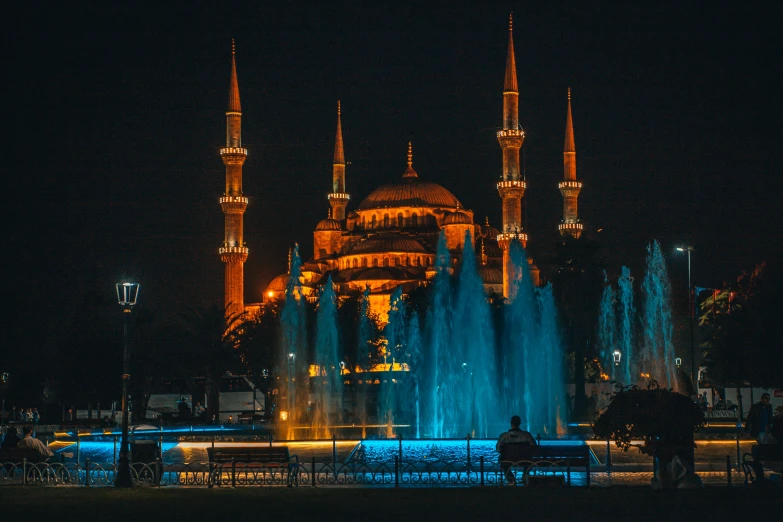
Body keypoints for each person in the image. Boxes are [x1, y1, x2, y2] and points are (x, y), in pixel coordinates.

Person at [496, 415, 536, 484]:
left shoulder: (503, 436)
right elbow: (533, 447)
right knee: (530, 460)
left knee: (502, 461)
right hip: (525, 460)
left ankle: (511, 479)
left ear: (511, 423)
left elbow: (498, 449)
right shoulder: (527, 435)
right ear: (520, 423)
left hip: (508, 460)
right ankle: (525, 475)